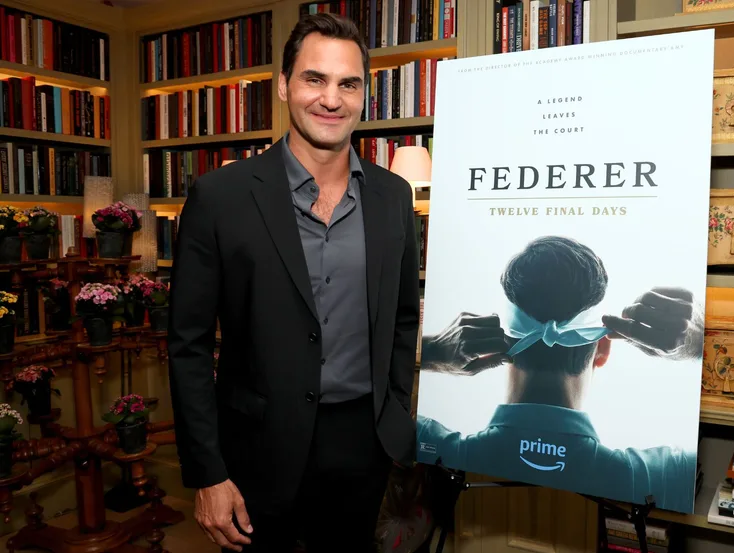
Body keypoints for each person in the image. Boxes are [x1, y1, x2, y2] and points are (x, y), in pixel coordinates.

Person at [167, 12, 420, 553]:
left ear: (363, 95)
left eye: (348, 83)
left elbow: (402, 315)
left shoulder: (394, 197)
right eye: (315, 78)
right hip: (256, 450)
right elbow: (187, 347)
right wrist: (208, 472)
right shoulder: (219, 198)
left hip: (364, 446)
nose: (331, 99)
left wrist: (393, 411)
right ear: (283, 85)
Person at [416, 236, 703, 513]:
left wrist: (431, 352)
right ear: (603, 348)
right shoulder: (657, 478)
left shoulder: (429, 448)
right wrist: (694, 341)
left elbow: (377, 380)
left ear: (499, 342)